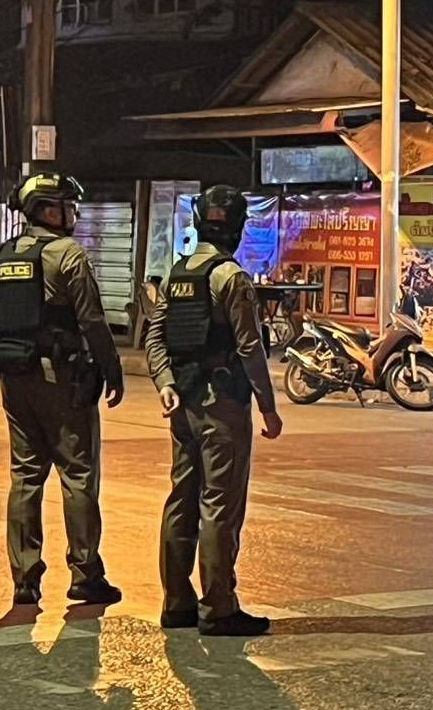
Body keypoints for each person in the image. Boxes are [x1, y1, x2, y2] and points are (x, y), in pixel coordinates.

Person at [0, 172, 126, 607]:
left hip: (15, 377)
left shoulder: (2, 256)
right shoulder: (68, 255)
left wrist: (7, 366)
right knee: (78, 475)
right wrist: (112, 370)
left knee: (25, 475)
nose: (73, 214)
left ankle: (24, 578)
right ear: (47, 210)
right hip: (62, 378)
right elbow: (92, 320)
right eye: (67, 206)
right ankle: (85, 573)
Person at [145, 185, 284, 636]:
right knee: (219, 505)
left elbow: (155, 337)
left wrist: (165, 383)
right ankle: (219, 607)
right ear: (238, 228)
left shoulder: (178, 274)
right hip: (222, 405)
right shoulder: (231, 278)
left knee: (181, 499)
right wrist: (268, 407)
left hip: (183, 402)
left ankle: (176, 602)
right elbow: (250, 349)